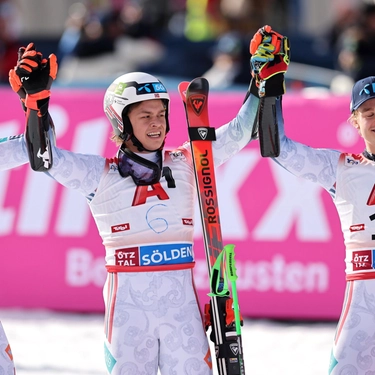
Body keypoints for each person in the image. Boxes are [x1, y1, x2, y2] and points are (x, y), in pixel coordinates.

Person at [6, 42, 259, 374]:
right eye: (145, 116)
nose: (156, 123)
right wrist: (36, 106)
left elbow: (242, 131)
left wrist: (261, 83)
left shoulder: (187, 160)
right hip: (127, 313)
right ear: (121, 121)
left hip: (181, 310)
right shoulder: (99, 174)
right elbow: (46, 158)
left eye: (161, 114)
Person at [250, 25, 375, 374]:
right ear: (354, 121)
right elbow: (277, 149)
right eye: (369, 113)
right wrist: (271, 85)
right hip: (365, 300)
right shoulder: (343, 168)